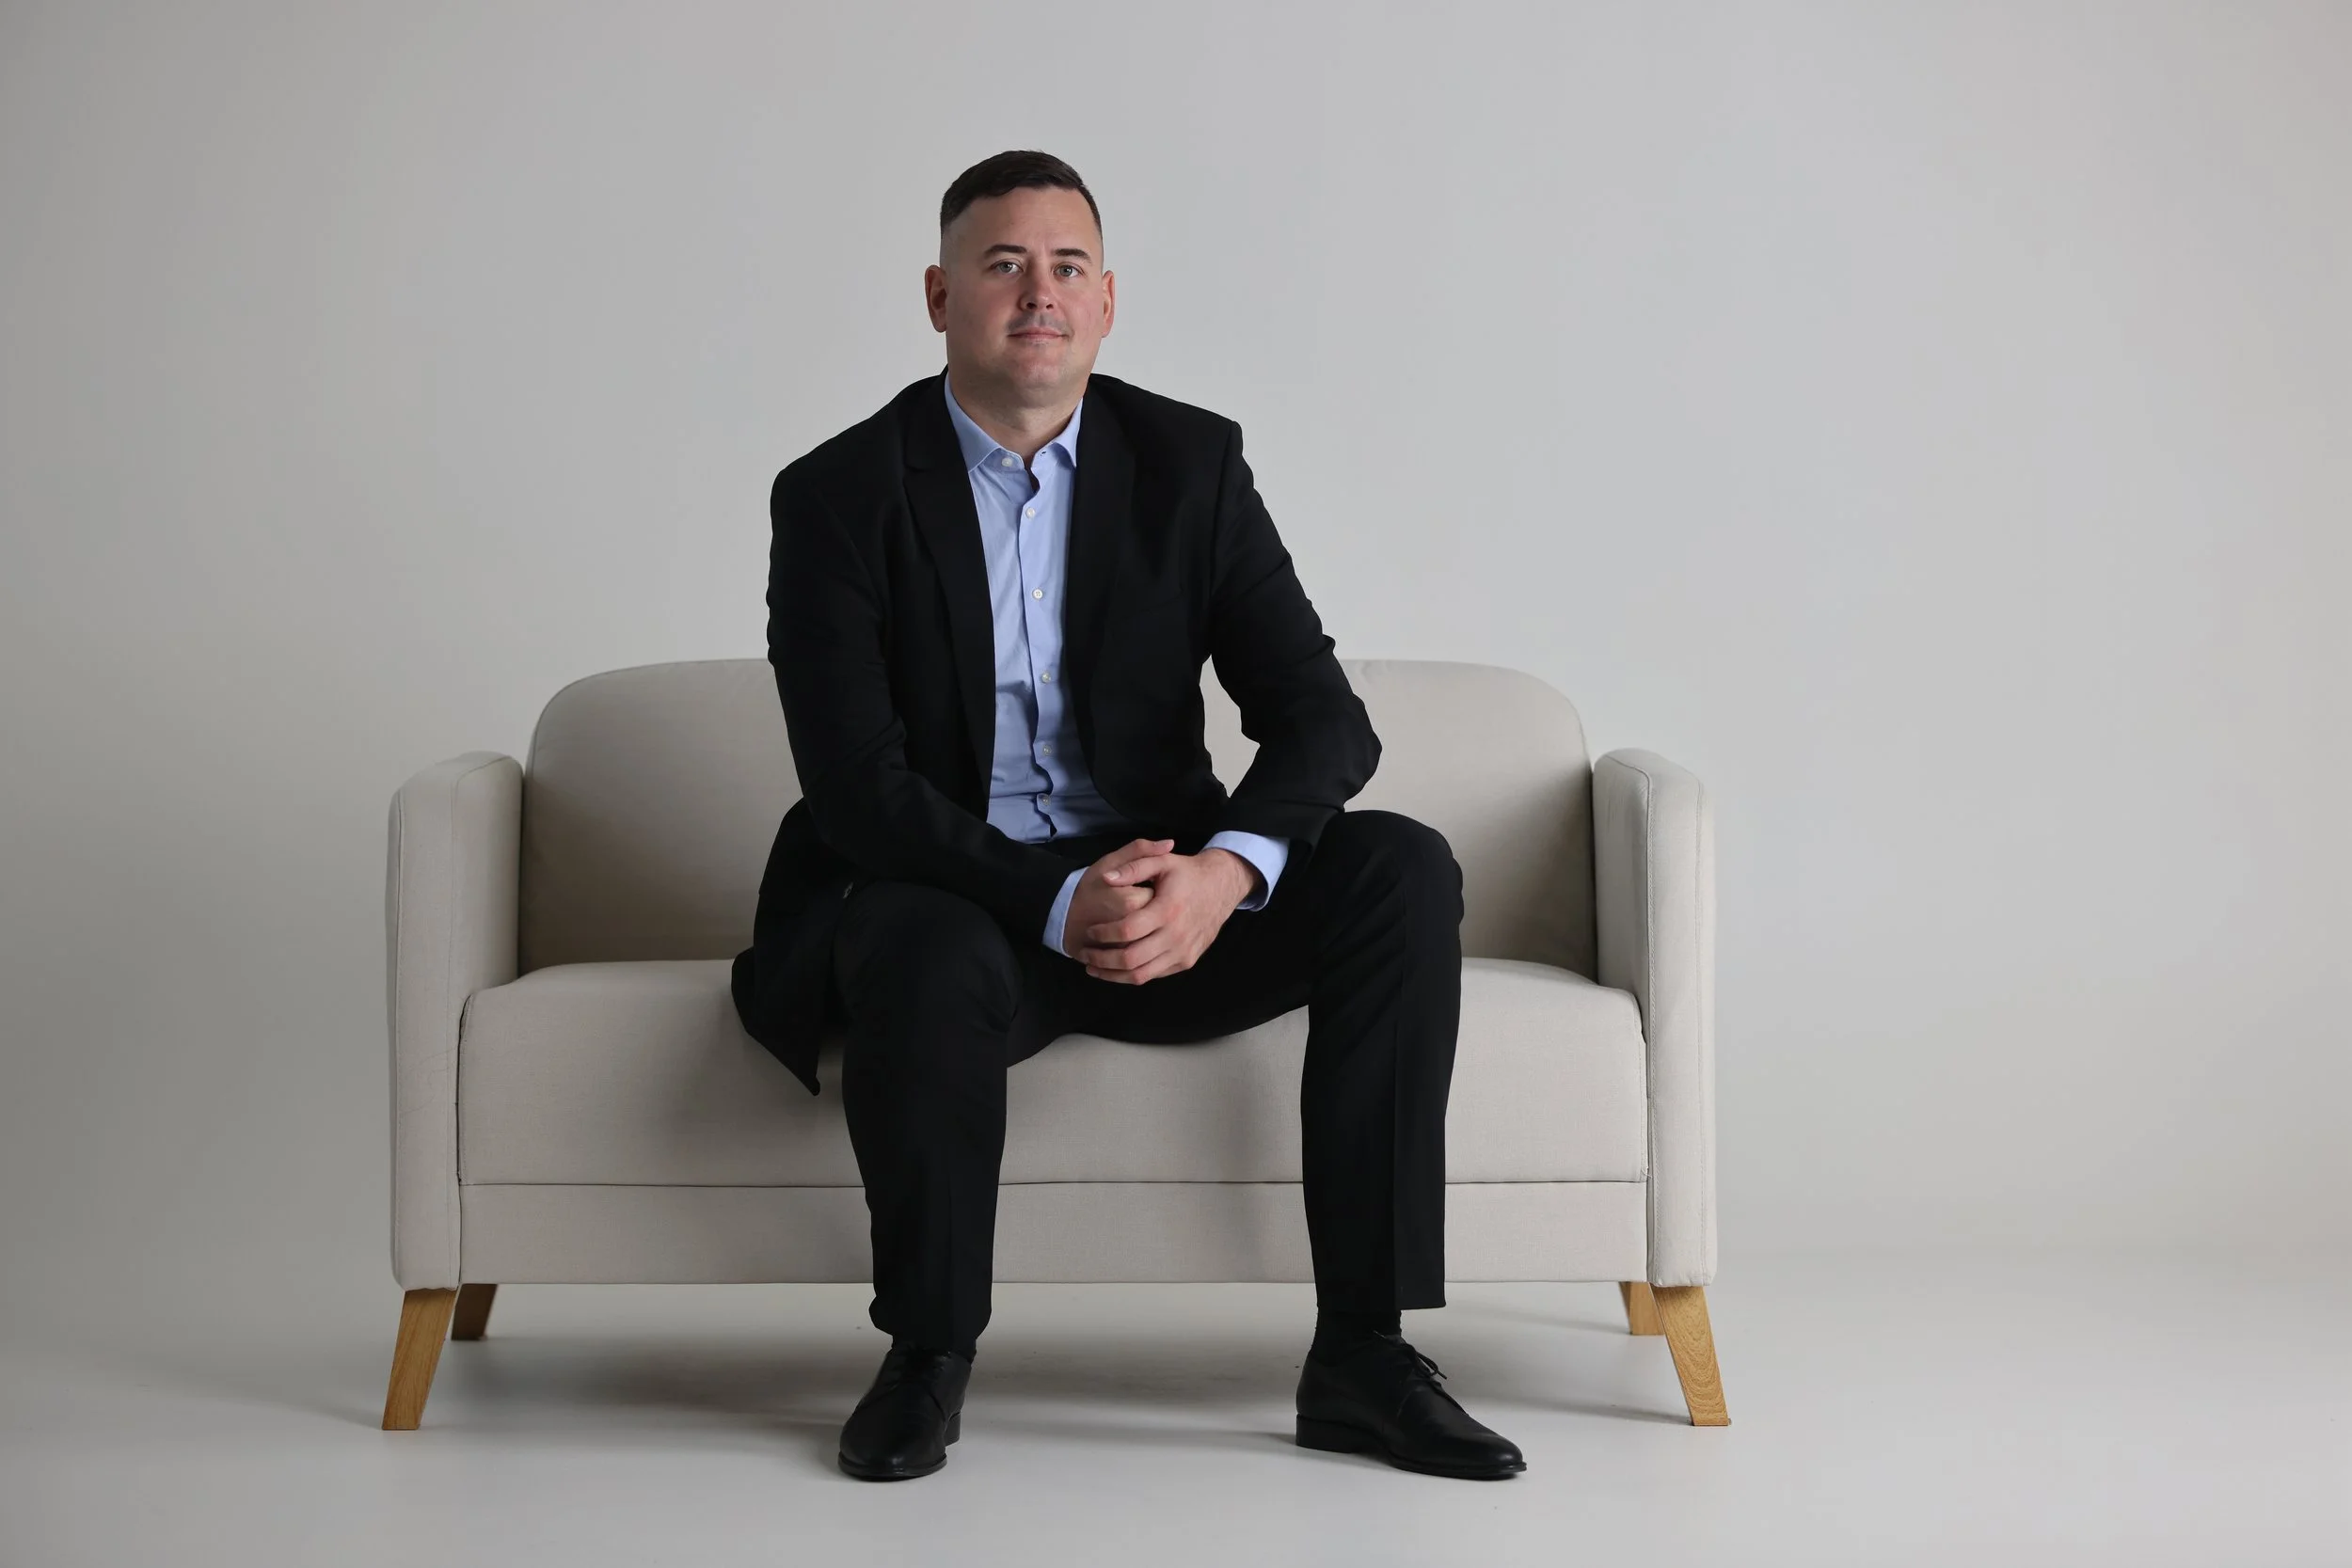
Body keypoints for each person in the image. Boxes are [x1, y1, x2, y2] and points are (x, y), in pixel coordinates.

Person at [728, 150, 1523, 1483]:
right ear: (938, 296)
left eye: (1067, 266)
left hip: (1172, 902)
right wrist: (1048, 897)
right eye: (1001, 265)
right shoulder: (838, 495)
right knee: (914, 940)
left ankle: (1365, 1354)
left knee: (1401, 868)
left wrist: (1222, 874)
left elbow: (1326, 722)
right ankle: (928, 1352)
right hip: (969, 907)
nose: (1037, 293)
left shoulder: (1190, 464)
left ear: (1107, 302)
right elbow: (859, 790)